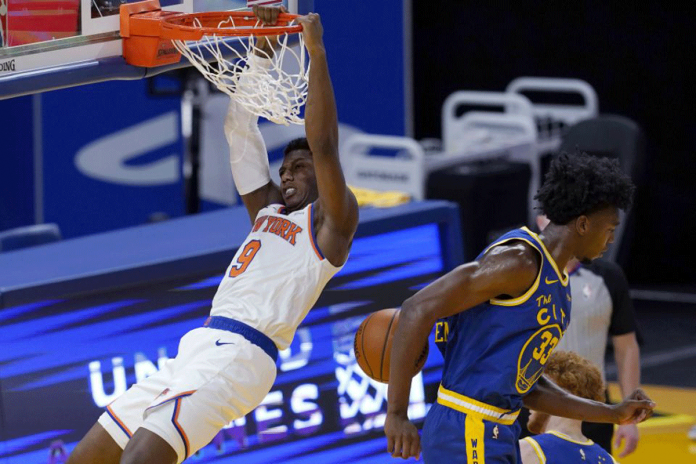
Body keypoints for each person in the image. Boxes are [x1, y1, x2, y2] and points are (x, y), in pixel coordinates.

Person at [68, 7, 358, 464]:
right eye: (283, 168)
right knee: (86, 458)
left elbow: (323, 145)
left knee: (140, 459)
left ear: (324, 181)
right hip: (199, 344)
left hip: (243, 352)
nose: (286, 175)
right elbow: (238, 128)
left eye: (298, 169)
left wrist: (315, 50)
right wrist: (262, 51)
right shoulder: (266, 210)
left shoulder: (331, 225)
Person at [385, 152, 655, 462]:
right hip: (467, 425)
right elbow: (416, 308)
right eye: (609, 229)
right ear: (582, 224)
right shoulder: (519, 262)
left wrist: (612, 413)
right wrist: (397, 413)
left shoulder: (558, 287)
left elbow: (527, 387)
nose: (610, 240)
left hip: (501, 429)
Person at [526, 214, 642, 458]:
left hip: (593, 408)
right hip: (533, 405)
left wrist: (629, 419)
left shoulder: (608, 277)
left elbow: (626, 346)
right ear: (540, 221)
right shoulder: (521, 273)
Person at [519, 351, 620, 464]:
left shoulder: (526, 451)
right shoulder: (609, 460)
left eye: (535, 390)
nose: (527, 399)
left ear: (552, 393)